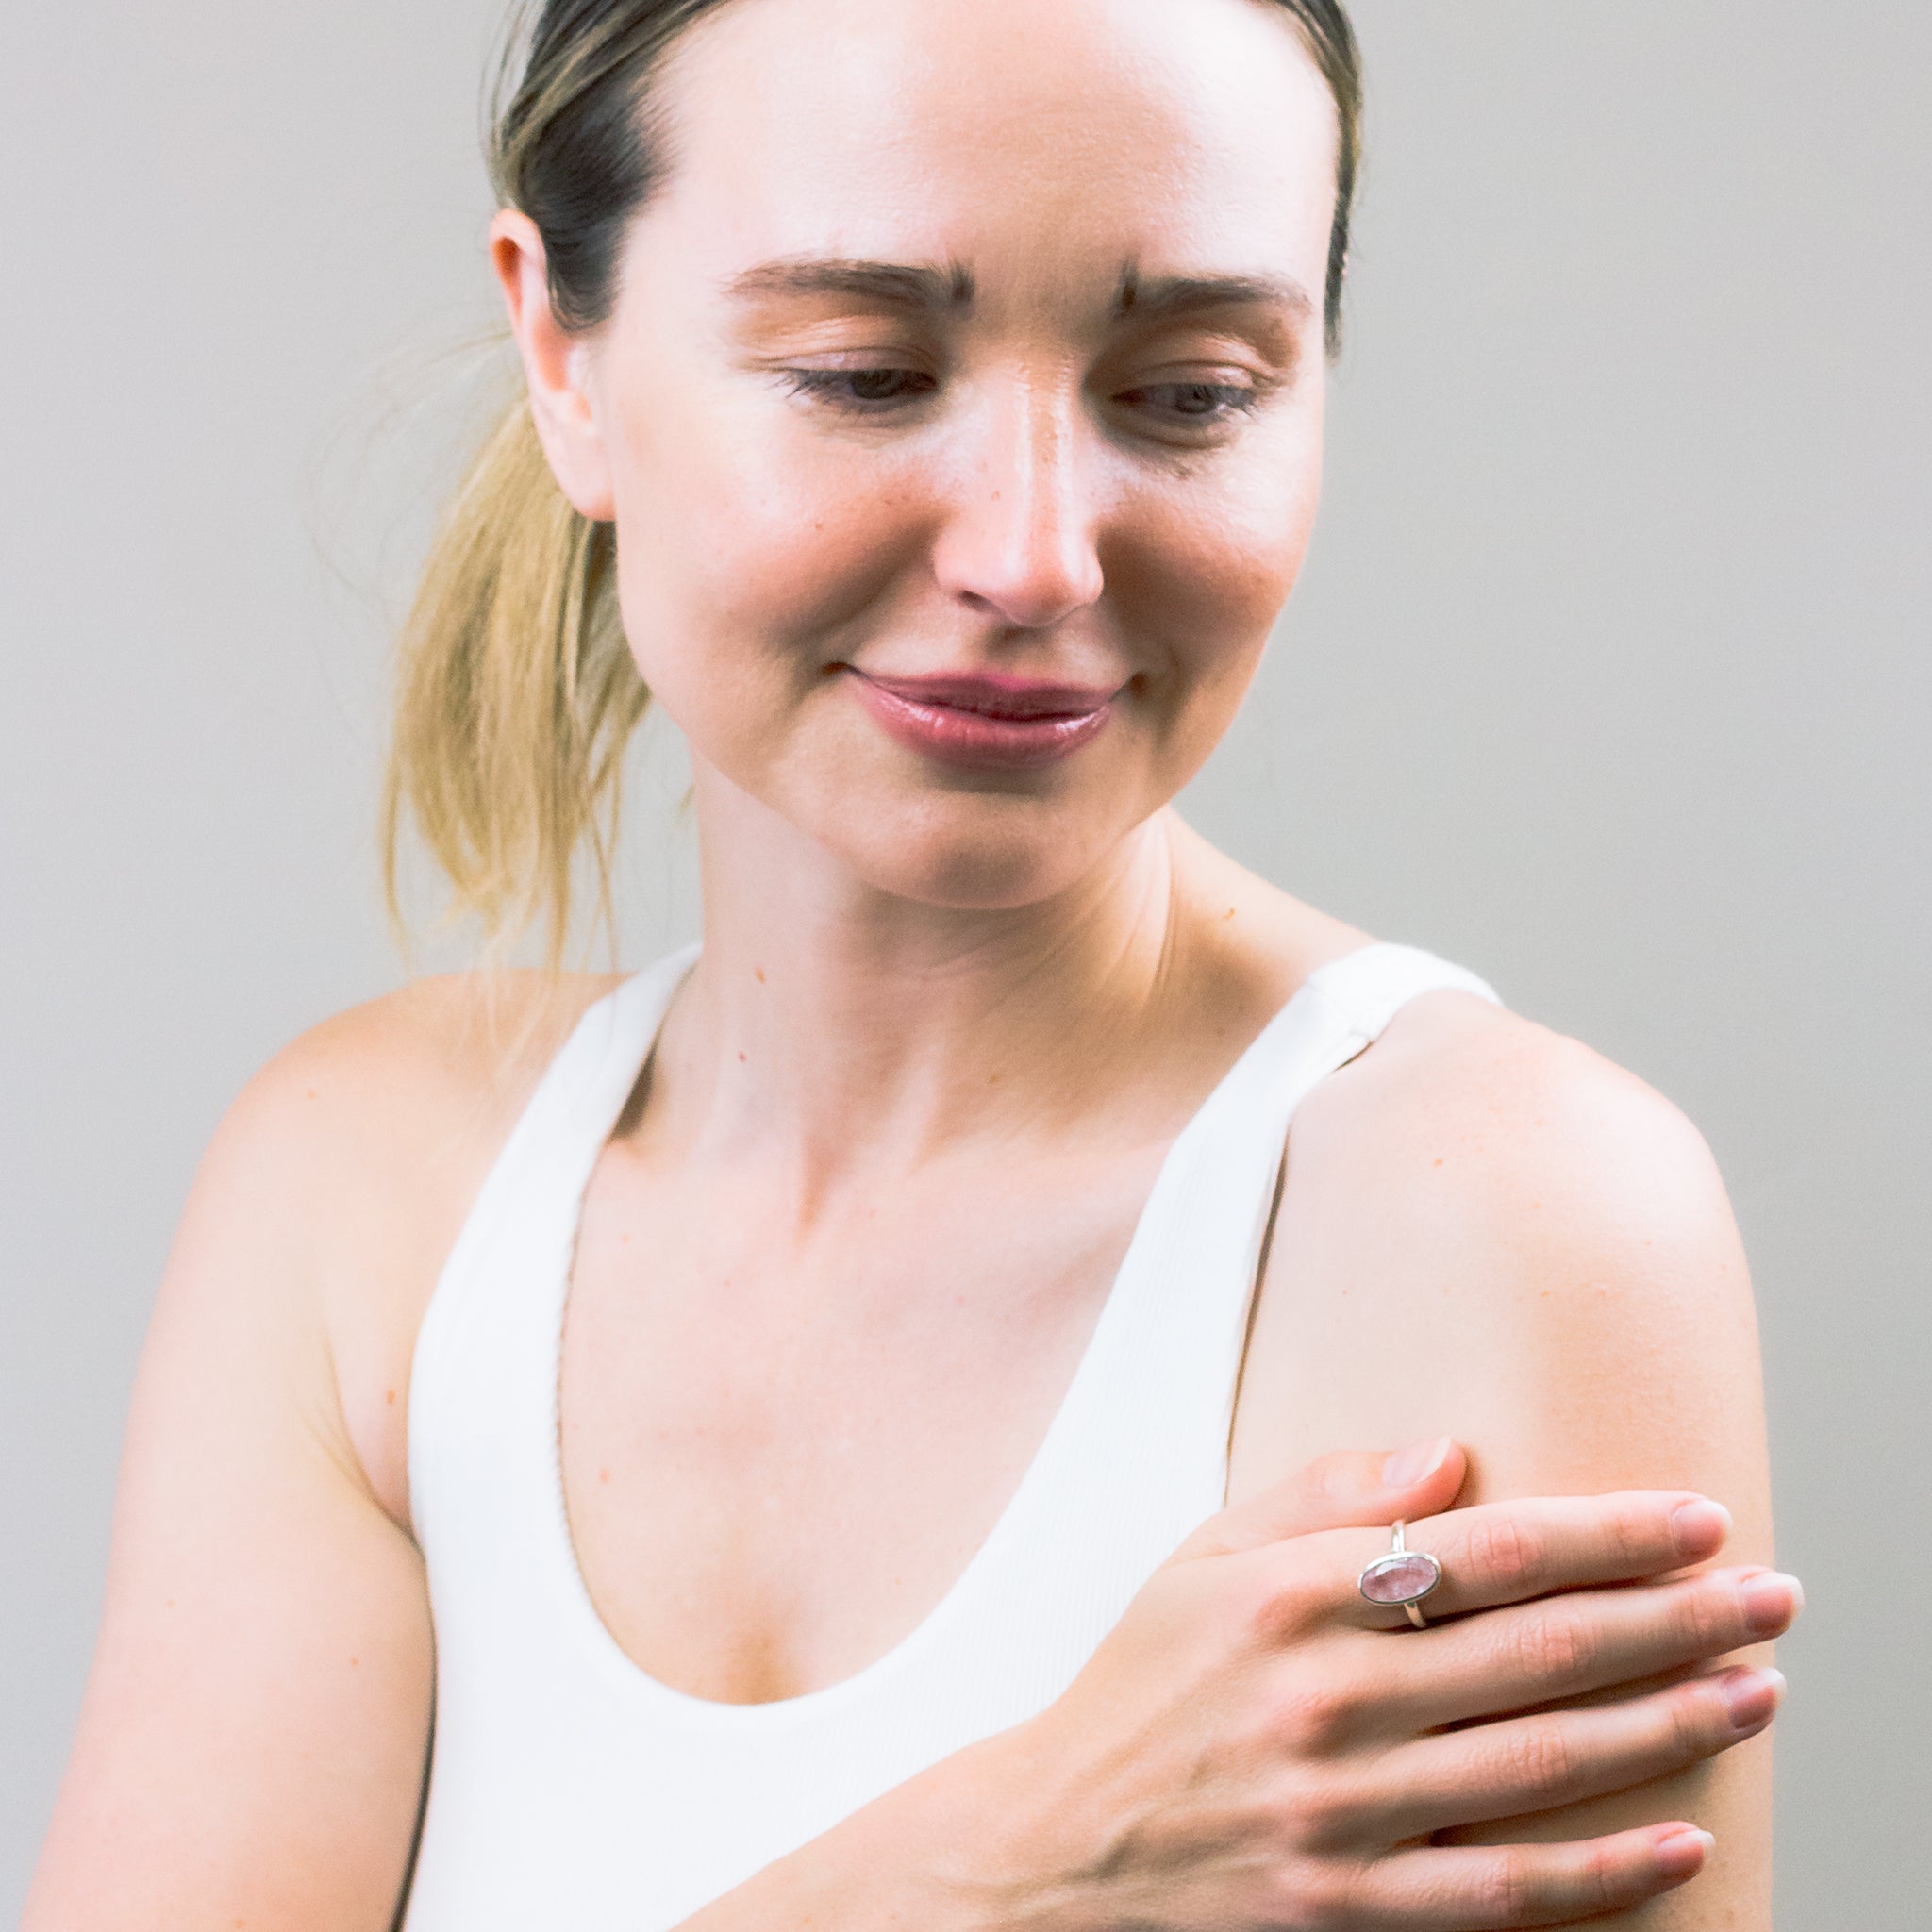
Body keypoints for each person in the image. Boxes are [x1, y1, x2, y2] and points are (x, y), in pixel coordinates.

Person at [25, 1, 1796, 1926]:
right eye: (867, 371)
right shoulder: (367, 1202)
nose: (1034, 553)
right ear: (566, 354)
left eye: (1191, 390)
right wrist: (993, 1871)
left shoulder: (1499, 1218)